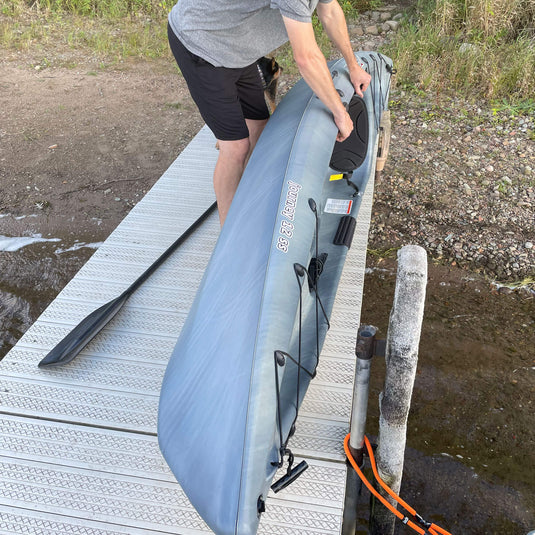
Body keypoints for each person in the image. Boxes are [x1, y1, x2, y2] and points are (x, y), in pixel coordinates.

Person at [168, 0, 371, 226]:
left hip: (237, 48)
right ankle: (230, 235)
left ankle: (249, 194)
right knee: (235, 147)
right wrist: (340, 113)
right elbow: (306, 58)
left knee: (260, 127)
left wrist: (352, 65)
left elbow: (330, 10)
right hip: (200, 44)